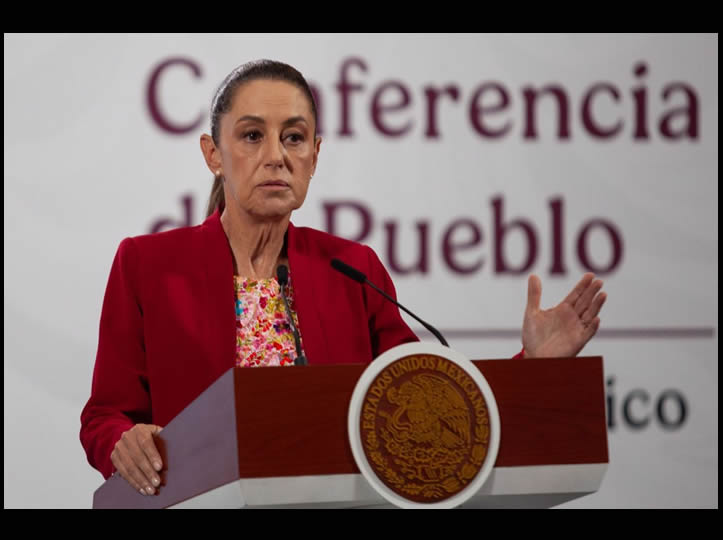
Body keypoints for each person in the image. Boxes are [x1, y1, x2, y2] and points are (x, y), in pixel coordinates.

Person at [80, 60, 607, 498]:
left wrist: (534, 366)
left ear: (314, 156)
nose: (276, 156)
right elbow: (105, 416)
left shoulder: (353, 270)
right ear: (213, 154)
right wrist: (123, 442)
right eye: (252, 136)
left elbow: (425, 400)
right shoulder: (148, 265)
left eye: (293, 137)